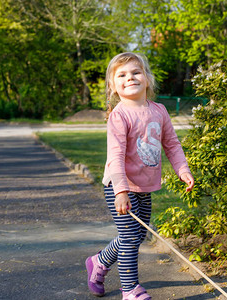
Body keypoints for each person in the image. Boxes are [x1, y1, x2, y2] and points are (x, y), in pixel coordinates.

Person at [85, 52, 194, 299]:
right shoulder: (119, 115)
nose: (130, 77)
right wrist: (121, 191)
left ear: (147, 79)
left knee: (136, 235)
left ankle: (99, 262)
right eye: (121, 75)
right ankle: (130, 289)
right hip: (119, 185)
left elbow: (172, 144)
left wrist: (183, 169)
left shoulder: (159, 111)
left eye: (136, 72)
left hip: (144, 186)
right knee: (130, 238)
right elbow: (115, 156)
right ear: (113, 86)